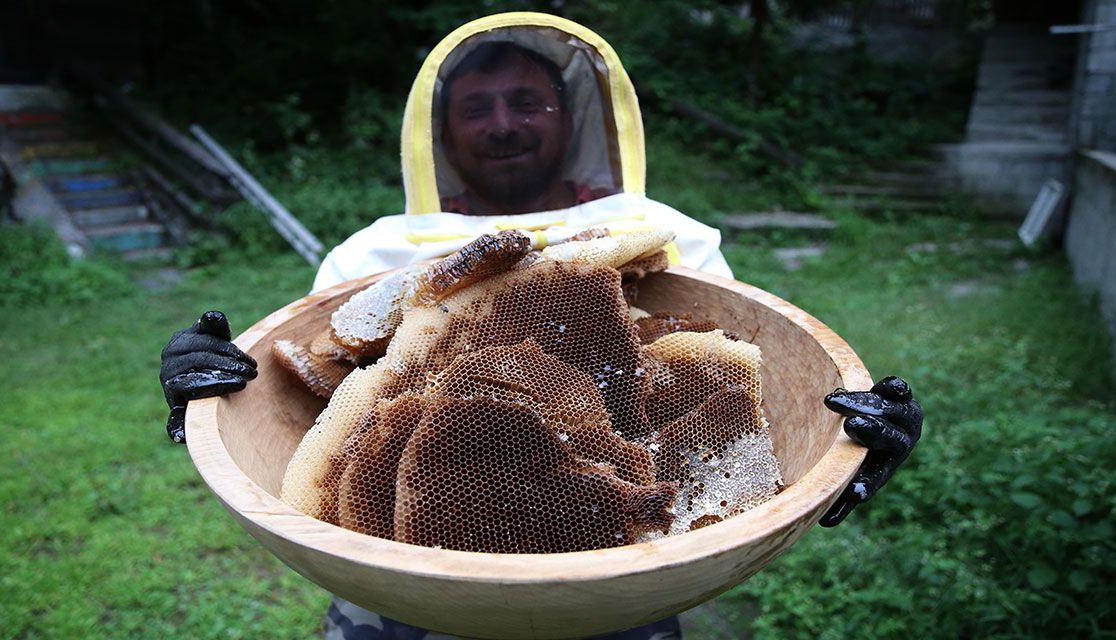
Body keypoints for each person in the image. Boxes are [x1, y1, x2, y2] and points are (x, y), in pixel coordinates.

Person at [160, 14, 922, 640]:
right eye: (476, 107)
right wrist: (211, 385)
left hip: (622, 598)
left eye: (527, 101)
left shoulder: (661, 236)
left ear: (571, 119)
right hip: (397, 608)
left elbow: (744, 390)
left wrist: (854, 437)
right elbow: (307, 399)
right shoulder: (373, 256)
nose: (502, 124)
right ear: (443, 134)